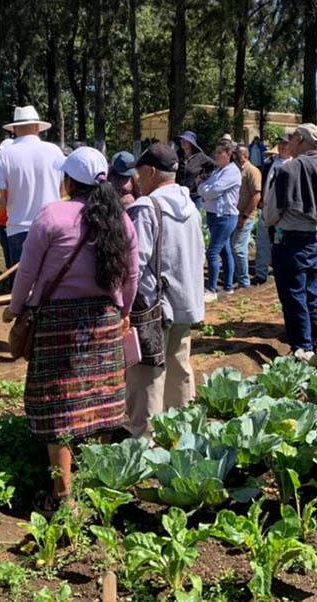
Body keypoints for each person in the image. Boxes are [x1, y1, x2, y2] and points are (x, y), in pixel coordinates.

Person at [2, 147, 138, 513]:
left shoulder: (52, 216)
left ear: (68, 181)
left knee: (58, 403)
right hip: (103, 320)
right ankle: (101, 485)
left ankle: (63, 495)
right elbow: (131, 275)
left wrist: (15, 308)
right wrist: (124, 311)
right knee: (103, 399)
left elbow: (27, 272)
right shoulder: (120, 220)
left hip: (57, 322)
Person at [124, 143, 206, 437]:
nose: (137, 180)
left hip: (153, 308)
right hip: (185, 302)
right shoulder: (190, 206)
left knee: (147, 375)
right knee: (179, 367)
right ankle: (181, 435)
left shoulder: (147, 208)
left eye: (139, 174)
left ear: (151, 172)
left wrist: (125, 306)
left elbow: (133, 265)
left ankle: (145, 441)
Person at [264, 124, 317, 360]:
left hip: (290, 240)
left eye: (292, 137)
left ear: (301, 140)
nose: (289, 141)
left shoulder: (288, 169)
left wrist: (269, 223)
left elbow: (271, 212)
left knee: (293, 296)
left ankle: (302, 349)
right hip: (315, 238)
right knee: (311, 293)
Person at [0, 106, 64, 267]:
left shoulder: (4, 155)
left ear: (14, 129)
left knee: (22, 278)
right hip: (51, 226)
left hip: (19, 227)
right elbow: (64, 190)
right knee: (51, 277)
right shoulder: (55, 151)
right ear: (37, 127)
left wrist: (16, 202)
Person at [198, 140, 241, 301]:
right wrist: (206, 190)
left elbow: (213, 190)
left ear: (228, 154)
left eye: (219, 153)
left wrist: (206, 190)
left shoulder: (232, 172)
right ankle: (228, 287)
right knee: (224, 250)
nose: (215, 156)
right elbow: (203, 186)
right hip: (214, 215)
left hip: (225, 216)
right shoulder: (219, 171)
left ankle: (212, 289)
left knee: (213, 252)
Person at [253, 134, 291, 285]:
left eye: (285, 144)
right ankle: (261, 273)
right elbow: (263, 182)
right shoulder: (269, 163)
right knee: (262, 241)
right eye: (280, 143)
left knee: (280, 243)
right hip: (267, 208)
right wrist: (261, 200)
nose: (282, 146)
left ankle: (279, 270)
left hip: (283, 213)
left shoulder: (294, 164)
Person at [231, 146, 262, 289]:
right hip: (235, 215)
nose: (235, 156)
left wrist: (244, 216)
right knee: (233, 248)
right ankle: (237, 277)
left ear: (245, 156)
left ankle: (244, 281)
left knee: (238, 248)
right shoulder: (237, 170)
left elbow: (256, 195)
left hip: (245, 216)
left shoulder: (252, 171)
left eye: (238, 154)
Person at [175, 131, 214, 210]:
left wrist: (202, 178)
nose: (183, 142)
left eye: (185, 141)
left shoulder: (200, 157)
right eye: (182, 140)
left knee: (195, 216)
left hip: (194, 195)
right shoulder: (177, 155)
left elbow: (213, 166)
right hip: (179, 194)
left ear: (191, 143)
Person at [0, 139, 14, 267]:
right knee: (10, 263)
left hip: (12, 223)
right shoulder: (2, 174)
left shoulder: (14, 174)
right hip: (3, 222)